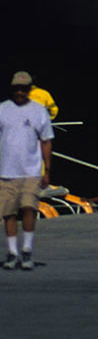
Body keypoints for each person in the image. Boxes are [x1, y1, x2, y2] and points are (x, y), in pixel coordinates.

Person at [1, 72, 52, 270]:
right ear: (12, 89)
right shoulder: (2, 109)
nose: (20, 92)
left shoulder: (39, 111)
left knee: (29, 208)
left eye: (24, 89)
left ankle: (27, 249)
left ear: (30, 89)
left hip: (31, 170)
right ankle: (13, 252)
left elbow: (46, 141)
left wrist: (47, 169)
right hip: (6, 171)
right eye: (17, 89)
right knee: (9, 213)